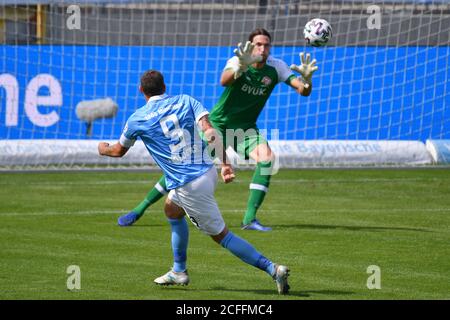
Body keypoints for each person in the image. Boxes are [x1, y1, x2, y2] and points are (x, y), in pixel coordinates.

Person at [98, 69, 290, 294]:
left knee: (223, 237)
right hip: (207, 171)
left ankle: (273, 269)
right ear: (165, 87)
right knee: (171, 210)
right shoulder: (186, 100)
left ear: (141, 90)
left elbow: (118, 151)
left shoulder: (137, 119)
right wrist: (225, 163)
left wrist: (102, 149)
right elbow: (210, 131)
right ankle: (179, 271)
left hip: (189, 185)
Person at [118, 28, 318, 231]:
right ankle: (140, 208)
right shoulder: (238, 60)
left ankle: (249, 220)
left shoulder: (277, 67)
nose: (263, 48)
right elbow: (224, 80)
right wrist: (241, 65)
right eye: (258, 44)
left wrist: (307, 81)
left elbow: (303, 90)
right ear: (251, 46)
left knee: (267, 160)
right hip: (218, 125)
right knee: (184, 164)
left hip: (246, 129)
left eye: (266, 44)